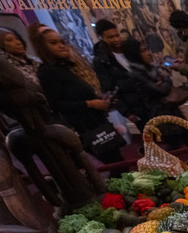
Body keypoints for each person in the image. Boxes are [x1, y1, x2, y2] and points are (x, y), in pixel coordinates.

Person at [30, 24, 124, 163]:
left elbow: (77, 93)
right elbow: (56, 104)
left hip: (96, 122)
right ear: (42, 47)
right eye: (53, 43)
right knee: (115, 164)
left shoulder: (63, 67)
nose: (61, 46)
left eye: (62, 42)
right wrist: (90, 104)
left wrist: (99, 99)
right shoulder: (47, 71)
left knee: (118, 162)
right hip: (84, 127)